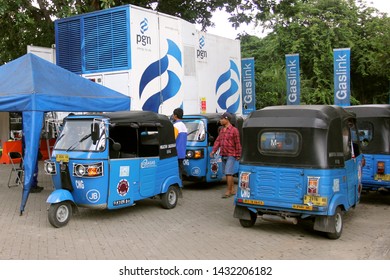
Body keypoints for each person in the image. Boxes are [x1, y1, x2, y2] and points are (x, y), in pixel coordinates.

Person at [210, 112, 242, 198]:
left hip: (231, 154)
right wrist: (213, 151)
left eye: (222, 119)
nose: (220, 120)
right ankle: (232, 189)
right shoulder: (222, 130)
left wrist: (238, 154)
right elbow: (218, 141)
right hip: (223, 154)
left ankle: (228, 191)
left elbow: (237, 143)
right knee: (227, 173)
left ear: (226, 119)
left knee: (228, 173)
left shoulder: (234, 130)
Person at [172, 108, 188, 180]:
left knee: (177, 170)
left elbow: (172, 138)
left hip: (176, 152)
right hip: (182, 152)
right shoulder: (184, 126)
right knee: (180, 169)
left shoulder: (175, 126)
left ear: (175, 116)